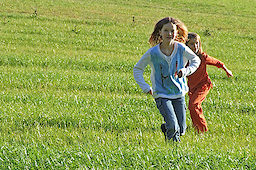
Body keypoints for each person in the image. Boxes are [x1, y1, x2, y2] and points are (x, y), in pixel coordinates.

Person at [133, 17, 200, 142]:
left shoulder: (181, 48)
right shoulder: (153, 53)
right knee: (174, 127)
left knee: (181, 129)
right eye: (166, 30)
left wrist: (186, 71)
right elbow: (137, 69)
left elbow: (196, 60)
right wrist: (146, 87)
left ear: (176, 32)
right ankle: (174, 152)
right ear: (160, 32)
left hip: (178, 93)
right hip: (161, 94)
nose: (169, 34)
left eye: (172, 31)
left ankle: (166, 128)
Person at [185, 32, 233, 133]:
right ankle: (197, 128)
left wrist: (226, 70)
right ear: (186, 45)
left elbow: (216, 62)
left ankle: (202, 130)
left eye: (197, 43)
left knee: (193, 105)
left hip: (203, 85)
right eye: (192, 44)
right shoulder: (184, 59)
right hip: (192, 87)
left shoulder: (202, 57)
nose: (195, 46)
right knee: (192, 106)